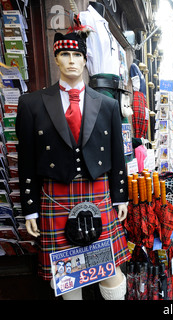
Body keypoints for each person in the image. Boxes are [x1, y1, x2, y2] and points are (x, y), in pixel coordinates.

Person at [16, 24, 130, 300]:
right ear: (56, 59)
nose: (71, 61)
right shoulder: (31, 103)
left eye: (77, 55)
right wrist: (30, 209)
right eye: (65, 55)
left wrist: (121, 196)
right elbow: (27, 158)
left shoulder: (107, 104)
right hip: (55, 194)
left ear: (84, 59)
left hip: (99, 191)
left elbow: (117, 154)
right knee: (67, 274)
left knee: (112, 267)